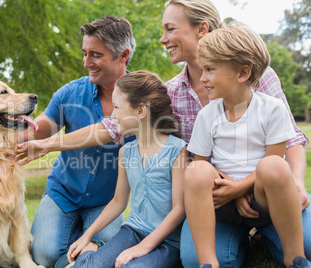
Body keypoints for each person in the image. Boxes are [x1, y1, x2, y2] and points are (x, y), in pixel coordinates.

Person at [16, 0, 311, 266]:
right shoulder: (170, 92)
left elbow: (292, 139)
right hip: (215, 198)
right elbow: (117, 127)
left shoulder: (260, 78)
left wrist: (295, 183)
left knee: (307, 245)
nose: (162, 39)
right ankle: (245, 238)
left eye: (170, 28)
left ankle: (276, 239)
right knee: (201, 258)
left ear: (202, 29)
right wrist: (47, 143)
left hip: (266, 188)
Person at [14, 16, 136, 268]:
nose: (86, 63)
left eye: (95, 55)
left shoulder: (140, 98)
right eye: (84, 53)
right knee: (45, 254)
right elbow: (40, 129)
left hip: (107, 201)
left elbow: (105, 129)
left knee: (101, 254)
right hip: (63, 193)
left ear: (123, 55)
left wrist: (48, 145)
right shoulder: (70, 92)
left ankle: (84, 247)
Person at [184, 22, 309, 268]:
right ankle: (208, 263)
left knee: (274, 165)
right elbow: (201, 163)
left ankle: (295, 258)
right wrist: (232, 190)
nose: (202, 78)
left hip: (264, 198)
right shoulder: (207, 116)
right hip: (222, 199)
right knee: (195, 171)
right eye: (202, 69)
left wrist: (241, 188)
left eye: (209, 69)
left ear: (243, 73)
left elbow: (273, 161)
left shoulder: (272, 109)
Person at [66, 71, 188, 268]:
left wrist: (142, 248)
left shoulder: (176, 150)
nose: (112, 115)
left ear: (140, 111)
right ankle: (92, 249)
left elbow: (179, 209)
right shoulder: (126, 152)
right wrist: (86, 236)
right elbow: (118, 202)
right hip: (132, 231)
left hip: (169, 241)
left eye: (117, 107)